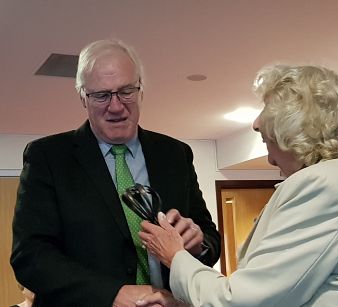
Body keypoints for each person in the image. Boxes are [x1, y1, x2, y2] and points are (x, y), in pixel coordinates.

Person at [137, 64, 338, 306]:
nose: (270, 159)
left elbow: (243, 301)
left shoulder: (322, 185)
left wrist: (175, 255)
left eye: (269, 141)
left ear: (292, 130)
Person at [10, 39, 220, 307]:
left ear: (140, 90)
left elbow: (211, 239)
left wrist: (198, 244)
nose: (117, 106)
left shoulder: (175, 154)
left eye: (126, 91)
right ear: (83, 98)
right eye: (102, 95)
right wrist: (113, 294)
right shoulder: (48, 157)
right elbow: (30, 257)